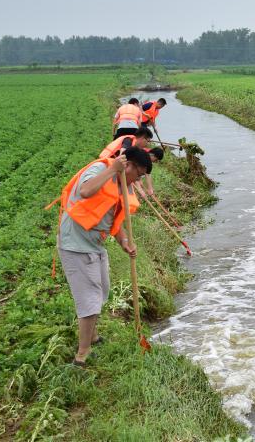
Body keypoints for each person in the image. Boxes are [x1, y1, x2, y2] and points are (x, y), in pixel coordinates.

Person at [55, 147, 152, 366]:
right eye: (139, 174)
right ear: (128, 165)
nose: (138, 180)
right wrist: (112, 170)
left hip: (95, 244)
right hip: (76, 244)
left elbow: (112, 219)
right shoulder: (101, 169)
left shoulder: (124, 184)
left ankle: (93, 336)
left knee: (101, 292)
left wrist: (124, 241)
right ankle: (82, 355)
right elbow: (85, 191)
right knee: (89, 299)